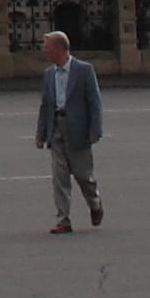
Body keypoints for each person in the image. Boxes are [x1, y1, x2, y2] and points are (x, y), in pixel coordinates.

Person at [34, 29, 104, 233]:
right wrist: (40, 134)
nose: (44, 51)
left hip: (78, 129)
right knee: (60, 177)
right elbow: (45, 105)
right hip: (56, 127)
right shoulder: (49, 75)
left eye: (47, 47)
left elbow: (94, 101)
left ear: (59, 48)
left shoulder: (83, 70)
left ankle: (95, 203)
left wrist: (95, 129)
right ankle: (63, 220)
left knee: (83, 175)